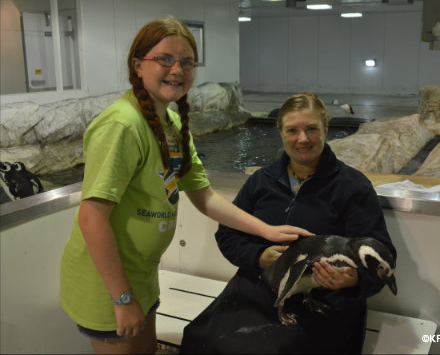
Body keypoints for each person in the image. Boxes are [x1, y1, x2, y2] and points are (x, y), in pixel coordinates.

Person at [59, 18, 312, 355]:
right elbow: (91, 218)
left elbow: (204, 196)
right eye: (164, 59)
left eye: (187, 61)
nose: (177, 69)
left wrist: (267, 230)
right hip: (107, 284)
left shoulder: (172, 123)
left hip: (142, 274)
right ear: (138, 65)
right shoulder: (122, 125)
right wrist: (122, 298)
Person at [180, 92, 397, 354]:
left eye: (311, 129)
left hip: (324, 301)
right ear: (280, 133)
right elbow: (227, 234)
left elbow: (383, 254)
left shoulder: (352, 187)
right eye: (292, 130)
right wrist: (258, 256)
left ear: (326, 130)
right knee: (199, 339)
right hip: (258, 288)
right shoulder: (262, 181)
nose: (302, 139)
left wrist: (350, 280)